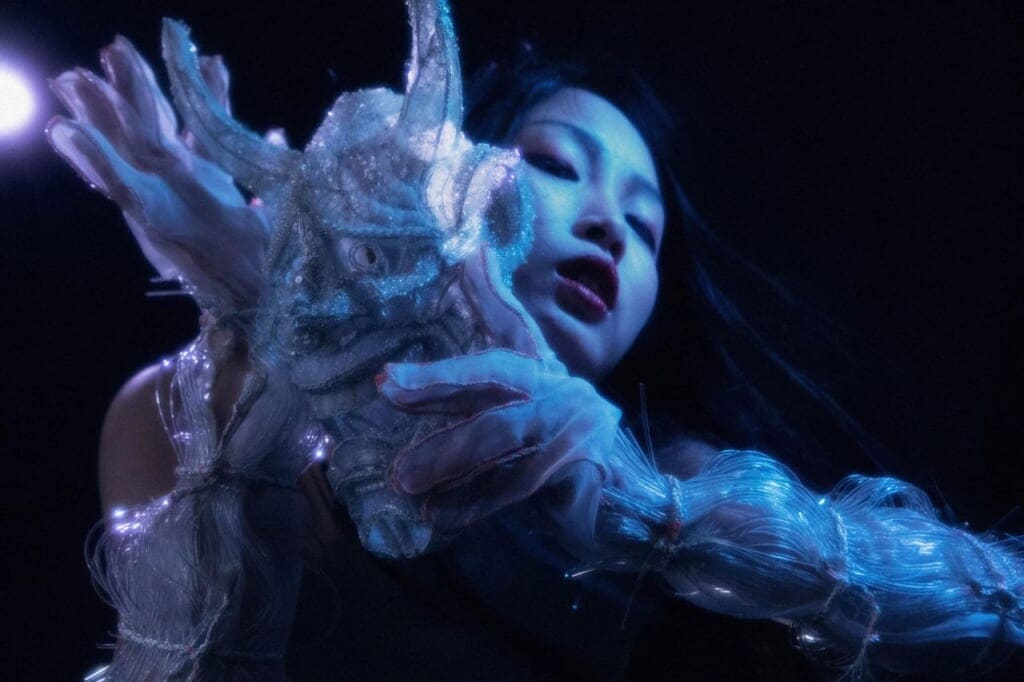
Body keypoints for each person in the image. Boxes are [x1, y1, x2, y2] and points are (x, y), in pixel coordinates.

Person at [49, 1, 1021, 679]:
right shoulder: (180, 408)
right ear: (447, 172)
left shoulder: (679, 471)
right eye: (560, 165)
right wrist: (255, 355)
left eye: (644, 228)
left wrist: (651, 512)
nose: (608, 224)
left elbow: (999, 615)